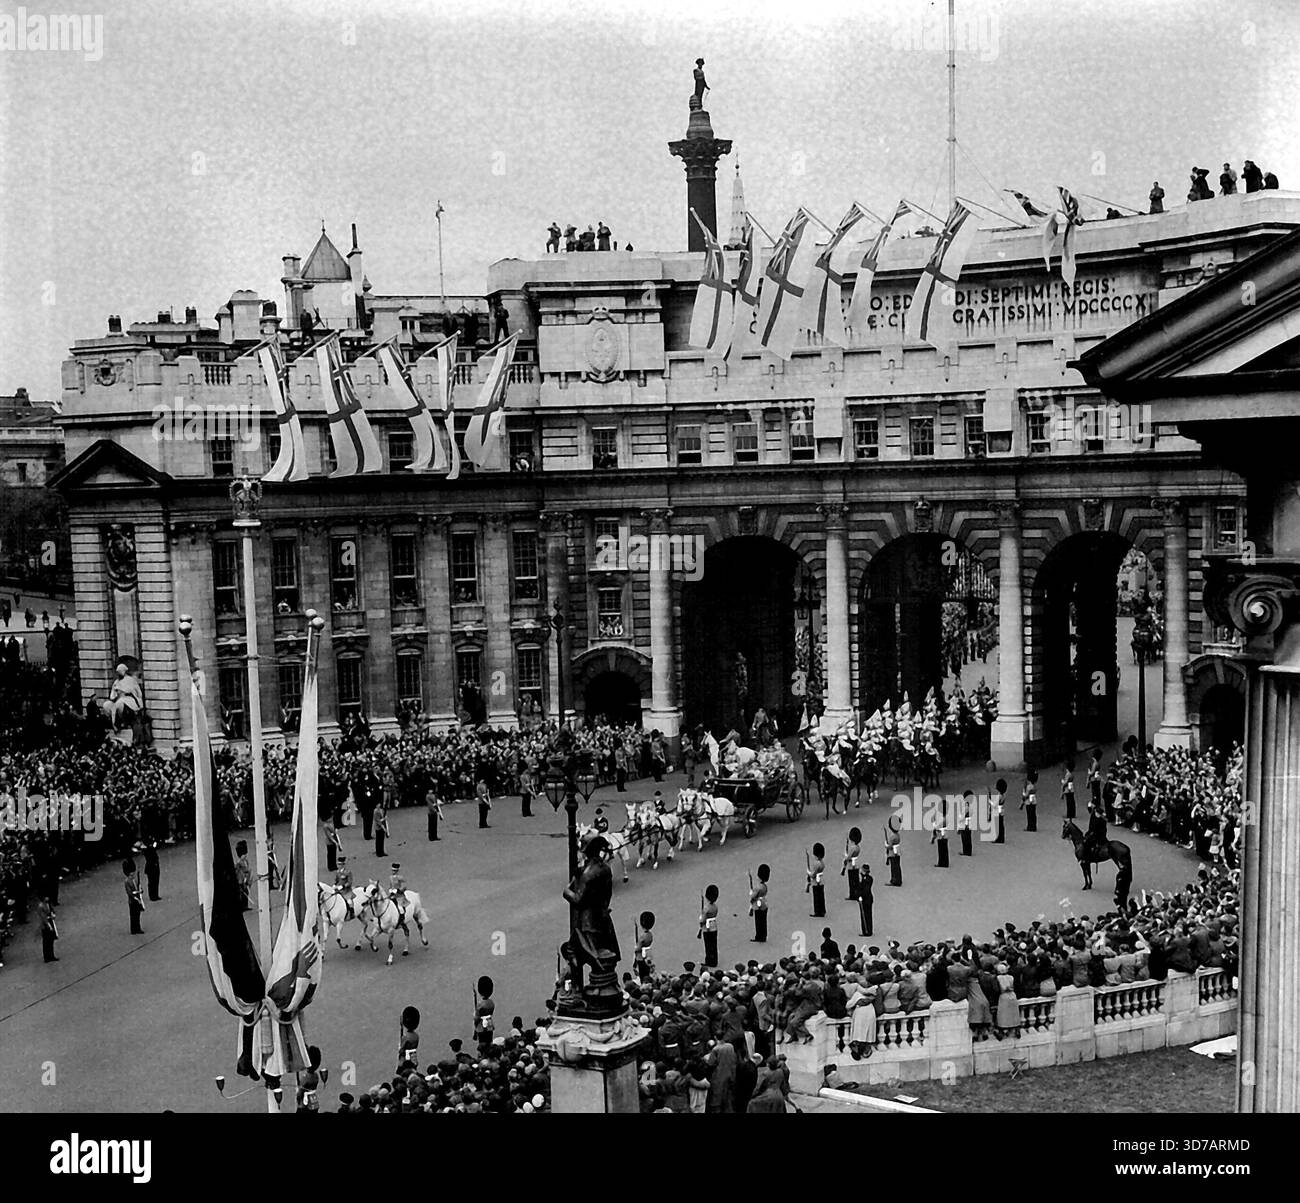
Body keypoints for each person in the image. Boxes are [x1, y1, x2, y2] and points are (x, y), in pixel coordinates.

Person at [700, 884, 720, 968]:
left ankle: (709, 960)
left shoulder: (706, 908)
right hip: (714, 925)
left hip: (707, 927)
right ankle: (714, 960)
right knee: (713, 944)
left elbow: (702, 920)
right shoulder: (715, 907)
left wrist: (701, 920)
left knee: (708, 945)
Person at [123, 857, 145, 934]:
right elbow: (129, 893)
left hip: (137, 899)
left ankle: (138, 928)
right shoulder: (127, 881)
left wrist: (141, 890)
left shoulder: (135, 879)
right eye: (131, 873)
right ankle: (133, 929)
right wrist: (136, 897)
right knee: (133, 916)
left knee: (137, 915)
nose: (133, 874)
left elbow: (139, 886)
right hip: (132, 901)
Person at [750, 863, 769, 942]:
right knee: (763, 920)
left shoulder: (758, 887)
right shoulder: (764, 886)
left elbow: (753, 896)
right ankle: (763, 935)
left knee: (758, 920)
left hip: (758, 904)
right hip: (764, 902)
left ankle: (759, 936)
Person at [634, 910, 655, 981]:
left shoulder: (642, 937)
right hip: (648, 954)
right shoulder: (650, 935)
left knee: (642, 975)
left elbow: (637, 949)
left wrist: (636, 947)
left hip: (641, 957)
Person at [37, 894, 58, 962]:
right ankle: (46, 957)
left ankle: (51, 955)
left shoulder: (48, 903)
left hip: (50, 921)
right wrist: (49, 925)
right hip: (45, 925)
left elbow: (52, 910)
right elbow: (43, 918)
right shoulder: (41, 906)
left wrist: (53, 914)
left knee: (51, 940)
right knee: (46, 941)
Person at [842, 826, 862, 900]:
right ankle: (857, 893)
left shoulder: (852, 848)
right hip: (856, 864)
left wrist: (845, 857)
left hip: (851, 865)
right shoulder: (857, 847)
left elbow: (848, 857)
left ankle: (852, 894)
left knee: (851, 881)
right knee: (856, 879)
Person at [807, 843, 826, 917]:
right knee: (821, 897)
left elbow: (813, 875)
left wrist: (808, 873)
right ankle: (822, 910)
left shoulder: (816, 864)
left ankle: (818, 911)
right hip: (821, 881)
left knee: (817, 898)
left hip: (816, 882)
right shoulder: (822, 863)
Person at [235, 839, 252, 911]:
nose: (245, 856)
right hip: (240, 880)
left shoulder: (246, 861)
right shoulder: (238, 863)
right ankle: (241, 906)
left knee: (246, 892)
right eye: (243, 855)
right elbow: (237, 871)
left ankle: (245, 905)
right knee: (242, 893)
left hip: (245, 879)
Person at [857, 864, 874, 937]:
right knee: (868, 915)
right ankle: (869, 930)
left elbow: (865, 890)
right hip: (868, 898)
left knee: (865, 914)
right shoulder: (868, 878)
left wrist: (860, 896)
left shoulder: (865, 879)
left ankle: (866, 931)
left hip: (865, 899)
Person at [959, 790, 975, 857]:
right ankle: (969, 851)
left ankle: (966, 851)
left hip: (965, 824)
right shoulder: (971, 806)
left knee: (964, 838)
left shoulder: (966, 807)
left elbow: (962, 817)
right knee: (968, 838)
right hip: (969, 823)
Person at [993, 778, 1007, 844]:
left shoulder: (999, 796)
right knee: (1001, 825)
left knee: (998, 825)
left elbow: (994, 805)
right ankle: (1002, 837)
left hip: (997, 811)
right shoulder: (1003, 795)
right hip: (1001, 810)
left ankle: (999, 838)